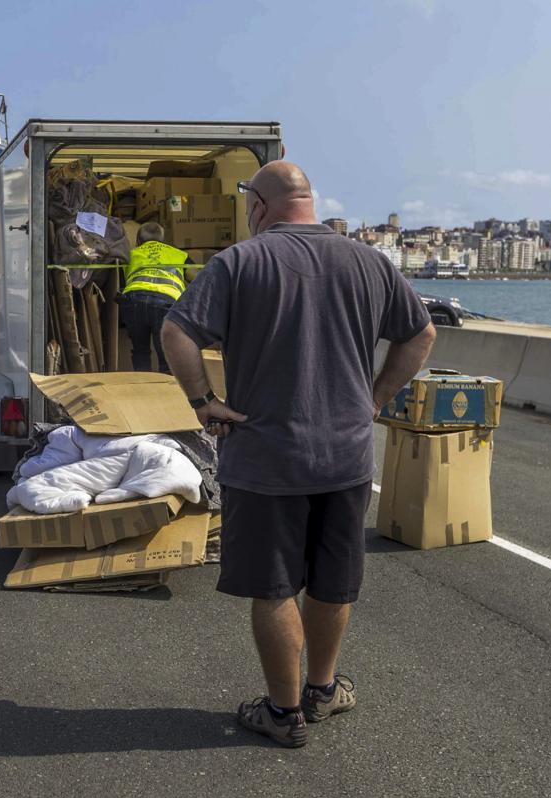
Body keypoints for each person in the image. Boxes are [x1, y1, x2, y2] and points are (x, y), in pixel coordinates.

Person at [161, 161, 436, 748]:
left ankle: (283, 714)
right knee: (333, 580)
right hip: (346, 458)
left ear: (260, 205)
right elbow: (421, 333)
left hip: (266, 459)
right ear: (309, 201)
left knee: (274, 585)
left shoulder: (239, 262)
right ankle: (322, 689)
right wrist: (376, 397)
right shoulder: (368, 261)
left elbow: (176, 331)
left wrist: (204, 401)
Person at [120, 222, 189, 372]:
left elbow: (120, 284)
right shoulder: (178, 254)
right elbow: (198, 278)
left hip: (134, 301)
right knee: (166, 354)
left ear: (138, 240)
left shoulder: (131, 254)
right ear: (164, 241)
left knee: (141, 352)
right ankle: (166, 389)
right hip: (166, 303)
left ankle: (143, 387)